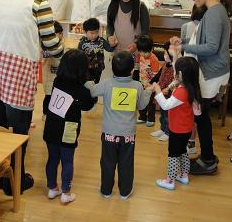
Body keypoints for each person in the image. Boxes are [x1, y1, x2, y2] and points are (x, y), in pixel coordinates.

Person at [0, 0, 64, 195]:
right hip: (17, 66)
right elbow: (52, 46)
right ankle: (14, 182)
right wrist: (61, 48)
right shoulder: (38, 3)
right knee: (19, 129)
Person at [170, 0, 232, 175]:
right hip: (211, 71)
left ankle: (208, 160)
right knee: (202, 116)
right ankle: (207, 157)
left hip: (212, 72)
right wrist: (185, 44)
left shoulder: (215, 12)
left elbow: (211, 47)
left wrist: (185, 45)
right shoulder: (213, 11)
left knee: (201, 117)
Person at [86, 51, 153, 199]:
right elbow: (142, 106)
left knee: (107, 163)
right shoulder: (137, 86)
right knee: (126, 163)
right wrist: (148, 91)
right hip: (128, 135)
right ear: (131, 70)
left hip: (109, 133)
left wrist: (89, 83)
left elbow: (92, 91)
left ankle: (106, 190)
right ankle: (125, 191)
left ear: (113, 69)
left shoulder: (107, 83)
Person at [43, 49, 96, 204]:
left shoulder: (57, 81)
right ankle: (66, 192)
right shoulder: (82, 90)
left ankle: (52, 189)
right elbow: (87, 106)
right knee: (67, 161)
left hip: (51, 126)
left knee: (52, 159)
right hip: (69, 128)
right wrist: (91, 92)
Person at [154, 57, 202, 190]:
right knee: (183, 151)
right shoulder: (191, 88)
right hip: (186, 128)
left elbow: (165, 105)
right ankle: (184, 175)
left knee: (173, 154)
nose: (175, 75)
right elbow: (197, 113)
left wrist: (158, 90)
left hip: (177, 129)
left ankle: (170, 181)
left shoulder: (182, 92)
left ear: (181, 75)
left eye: (176, 73)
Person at [106, 0, 150, 81]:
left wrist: (136, 44)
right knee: (119, 82)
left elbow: (145, 30)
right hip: (119, 52)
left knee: (135, 82)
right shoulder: (113, 5)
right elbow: (110, 26)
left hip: (137, 53)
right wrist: (109, 37)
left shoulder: (141, 7)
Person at [180, 4, 208, 154]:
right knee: (196, 107)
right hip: (201, 72)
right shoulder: (208, 28)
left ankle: (185, 138)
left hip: (188, 68)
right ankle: (192, 142)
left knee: (187, 107)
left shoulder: (185, 26)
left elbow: (183, 46)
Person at [78, 18, 117, 84]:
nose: (95, 35)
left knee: (96, 83)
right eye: (92, 33)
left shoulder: (101, 40)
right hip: (86, 68)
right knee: (86, 83)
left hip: (98, 68)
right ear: (85, 32)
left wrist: (114, 44)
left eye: (96, 32)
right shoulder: (82, 42)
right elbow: (78, 55)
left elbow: (109, 49)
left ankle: (94, 93)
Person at [150, 42, 174, 142]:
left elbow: (175, 81)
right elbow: (160, 75)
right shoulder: (165, 64)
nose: (164, 55)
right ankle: (163, 129)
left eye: (166, 53)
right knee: (163, 113)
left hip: (169, 92)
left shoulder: (175, 67)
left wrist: (167, 89)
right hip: (162, 91)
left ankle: (168, 132)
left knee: (168, 114)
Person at [135, 35, 160, 127]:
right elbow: (137, 68)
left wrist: (150, 85)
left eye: (145, 52)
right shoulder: (140, 56)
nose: (143, 54)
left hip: (150, 85)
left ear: (151, 49)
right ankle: (142, 117)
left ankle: (151, 118)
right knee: (141, 101)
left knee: (150, 103)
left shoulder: (154, 59)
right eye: (141, 52)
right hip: (141, 83)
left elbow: (155, 75)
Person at [42, 21, 64, 121]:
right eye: (57, 34)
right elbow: (44, 55)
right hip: (49, 75)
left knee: (58, 95)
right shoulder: (45, 45)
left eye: (61, 33)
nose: (60, 36)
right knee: (48, 95)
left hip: (59, 75)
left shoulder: (63, 43)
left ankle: (56, 113)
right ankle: (45, 113)